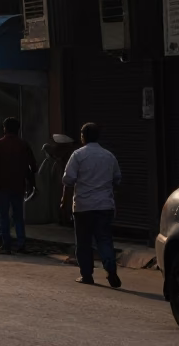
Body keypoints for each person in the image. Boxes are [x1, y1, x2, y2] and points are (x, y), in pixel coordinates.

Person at [62, 122, 122, 288]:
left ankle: (87, 275)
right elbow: (117, 179)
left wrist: (64, 202)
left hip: (83, 206)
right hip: (104, 206)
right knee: (104, 240)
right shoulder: (109, 156)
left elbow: (68, 180)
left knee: (83, 242)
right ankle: (111, 270)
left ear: (83, 137)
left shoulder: (78, 155)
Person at [0, 116, 36, 254]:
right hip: (18, 186)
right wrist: (32, 184)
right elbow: (33, 167)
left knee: (3, 216)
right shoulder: (23, 145)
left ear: (5, 129)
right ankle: (21, 244)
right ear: (18, 130)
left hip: (2, 186)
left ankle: (6, 244)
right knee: (18, 216)